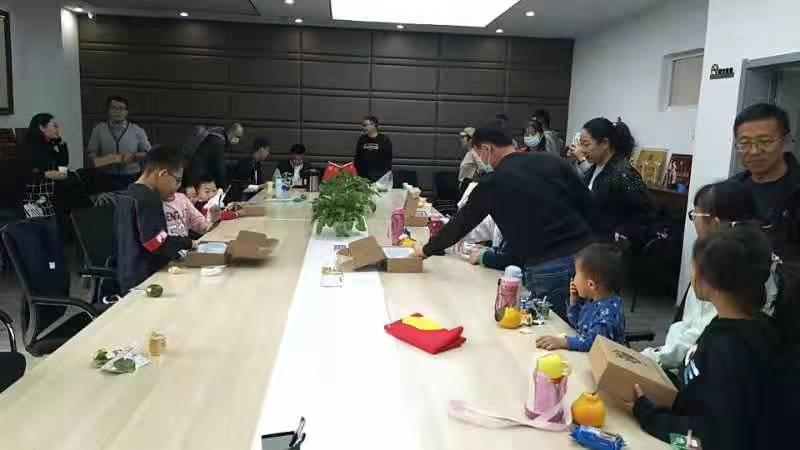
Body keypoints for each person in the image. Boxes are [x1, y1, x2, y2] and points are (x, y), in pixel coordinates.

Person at [413, 122, 595, 319]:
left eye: (478, 153)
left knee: (554, 327)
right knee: (587, 322)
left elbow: (460, 224)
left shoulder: (493, 183)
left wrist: (425, 250)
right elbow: (588, 203)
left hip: (547, 266)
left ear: (486, 149)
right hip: (587, 259)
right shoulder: (552, 161)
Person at [631, 225, 773, 450]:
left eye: (693, 266)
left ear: (710, 279)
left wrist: (650, 417)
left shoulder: (730, 351)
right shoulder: (726, 326)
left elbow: (705, 441)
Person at [641, 181, 764, 369]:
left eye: (695, 215)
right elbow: (687, 324)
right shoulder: (717, 257)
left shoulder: (730, 270)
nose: (694, 222)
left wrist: (651, 359)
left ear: (715, 223)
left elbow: (698, 334)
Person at [114, 146, 193, 294]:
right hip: (146, 280)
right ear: (163, 174)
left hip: (128, 274)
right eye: (177, 180)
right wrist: (188, 243)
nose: (177, 187)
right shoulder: (148, 198)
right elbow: (155, 243)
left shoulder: (128, 194)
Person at [729, 103, 800, 259]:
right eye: (745, 143)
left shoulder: (796, 191)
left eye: (765, 141)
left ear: (786, 141)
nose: (754, 151)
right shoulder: (731, 188)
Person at [575, 117, 656, 246]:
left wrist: (621, 234)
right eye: (581, 144)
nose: (582, 150)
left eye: (586, 144)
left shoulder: (624, 174)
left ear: (605, 143)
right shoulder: (594, 169)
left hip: (611, 250)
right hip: (591, 244)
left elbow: (646, 213)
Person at [536, 244, 626, 351]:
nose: (573, 278)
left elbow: (593, 343)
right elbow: (577, 323)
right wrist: (574, 302)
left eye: (576, 274)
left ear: (591, 285)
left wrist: (563, 342)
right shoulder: (594, 299)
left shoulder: (607, 314)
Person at [87, 96, 152, 191]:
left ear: (127, 112)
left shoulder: (137, 130)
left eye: (121, 108)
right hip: (105, 177)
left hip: (131, 177)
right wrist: (102, 161)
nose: (117, 111)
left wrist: (134, 156)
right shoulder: (98, 130)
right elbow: (91, 153)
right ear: (108, 111)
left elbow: (148, 153)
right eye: (113, 108)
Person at [23, 113, 69, 219]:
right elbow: (29, 169)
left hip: (52, 186)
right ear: (42, 128)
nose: (57, 129)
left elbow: (62, 165)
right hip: (38, 191)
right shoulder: (33, 145)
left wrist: (60, 143)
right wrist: (46, 173)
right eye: (54, 126)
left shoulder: (48, 145)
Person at [190, 123, 244, 190]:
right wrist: (223, 187)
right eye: (238, 137)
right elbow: (219, 167)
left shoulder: (216, 133)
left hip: (195, 173)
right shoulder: (218, 141)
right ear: (232, 133)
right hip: (197, 178)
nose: (237, 140)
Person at [354, 115, 392, 182]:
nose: (363, 128)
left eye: (365, 125)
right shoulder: (362, 139)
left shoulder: (384, 140)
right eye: (363, 125)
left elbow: (388, 160)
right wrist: (358, 174)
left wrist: (384, 176)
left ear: (373, 125)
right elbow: (357, 158)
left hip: (379, 177)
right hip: (363, 177)